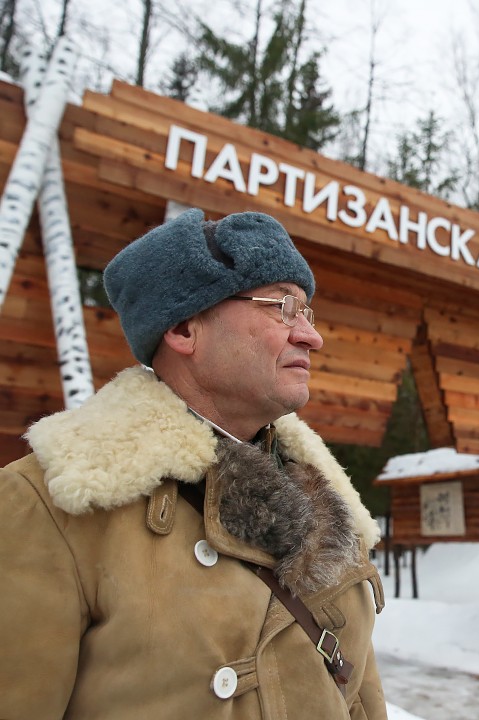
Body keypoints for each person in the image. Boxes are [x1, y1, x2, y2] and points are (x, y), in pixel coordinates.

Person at [0, 208, 387, 719]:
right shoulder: (47, 507)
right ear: (184, 329)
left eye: (307, 313)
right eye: (282, 308)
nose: (310, 337)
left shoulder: (332, 505)